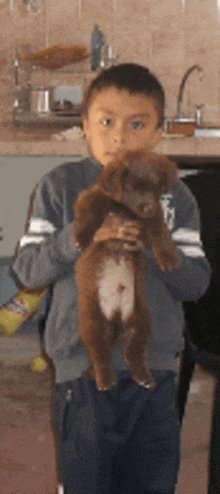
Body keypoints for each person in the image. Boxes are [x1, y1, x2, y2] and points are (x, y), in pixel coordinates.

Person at [12, 63, 211, 494]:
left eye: (136, 124)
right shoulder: (60, 187)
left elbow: (196, 284)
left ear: (159, 132)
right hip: (81, 370)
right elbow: (28, 272)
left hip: (155, 370)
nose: (119, 137)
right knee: (86, 482)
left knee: (152, 482)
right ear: (85, 125)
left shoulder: (176, 198)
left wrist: (158, 251)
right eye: (106, 122)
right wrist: (77, 239)